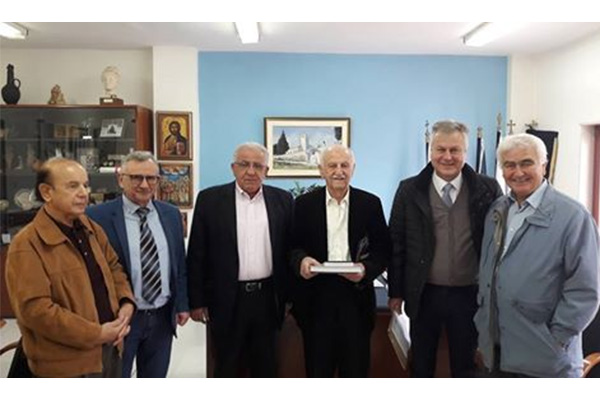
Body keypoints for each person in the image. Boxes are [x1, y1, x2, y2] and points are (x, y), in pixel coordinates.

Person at [474, 133, 600, 377]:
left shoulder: (574, 217)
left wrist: (556, 339)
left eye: (526, 163)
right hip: (496, 354)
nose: (518, 172)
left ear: (544, 165)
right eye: (510, 165)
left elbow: (585, 291)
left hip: (545, 359)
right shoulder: (497, 211)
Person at [388, 120, 502, 377]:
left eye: (455, 150)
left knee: (465, 367)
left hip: (469, 295)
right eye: (441, 149)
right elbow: (397, 242)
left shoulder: (488, 188)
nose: (447, 157)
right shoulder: (409, 190)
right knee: (421, 366)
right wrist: (396, 292)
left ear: (465, 152)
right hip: (423, 294)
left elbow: (499, 243)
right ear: (431, 151)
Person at [5, 158, 135, 378]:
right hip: (66, 364)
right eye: (73, 186)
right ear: (47, 192)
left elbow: (114, 268)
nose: (84, 193)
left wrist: (126, 304)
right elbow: (36, 311)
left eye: (85, 185)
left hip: (110, 349)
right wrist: (97, 333)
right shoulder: (27, 243)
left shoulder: (91, 228)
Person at [187, 142, 293, 377]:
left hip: (268, 299)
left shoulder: (283, 200)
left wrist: (289, 298)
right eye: (244, 164)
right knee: (227, 366)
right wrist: (196, 301)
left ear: (267, 170)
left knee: (266, 367)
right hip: (226, 299)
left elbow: (289, 251)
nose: (251, 171)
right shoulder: (210, 200)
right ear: (233, 168)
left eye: (258, 166)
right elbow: (197, 253)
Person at [291, 144, 391, 377]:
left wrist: (365, 269)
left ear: (353, 169)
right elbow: (292, 246)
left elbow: (383, 250)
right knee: (318, 373)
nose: (339, 171)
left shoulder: (370, 203)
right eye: (332, 165)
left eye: (344, 165)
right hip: (315, 301)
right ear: (321, 170)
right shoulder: (304, 204)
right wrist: (301, 260)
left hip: (356, 300)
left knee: (355, 372)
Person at [87, 151, 190, 378]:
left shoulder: (172, 215)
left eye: (151, 178)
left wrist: (182, 304)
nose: (144, 184)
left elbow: (179, 264)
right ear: (120, 179)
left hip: (162, 317)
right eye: (136, 177)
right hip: (120, 318)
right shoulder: (96, 217)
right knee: (116, 377)